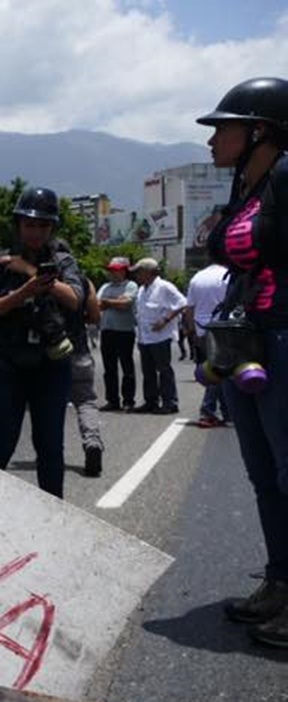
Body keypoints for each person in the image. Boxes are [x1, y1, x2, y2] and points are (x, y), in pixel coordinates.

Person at [197, 77, 288, 644]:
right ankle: (280, 581)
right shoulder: (247, 191)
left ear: (259, 130)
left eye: (222, 128)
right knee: (263, 477)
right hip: (246, 345)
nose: (212, 139)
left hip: (282, 340)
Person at [0, 187, 84, 498]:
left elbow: (75, 299)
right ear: (19, 224)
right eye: (30, 225)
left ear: (52, 228)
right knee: (2, 443)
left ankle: (54, 516)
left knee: (50, 446)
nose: (36, 232)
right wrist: (21, 293)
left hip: (50, 364)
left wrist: (31, 274)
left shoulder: (62, 261)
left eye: (43, 226)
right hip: (5, 364)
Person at [131, 257, 186, 415]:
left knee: (164, 370)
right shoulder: (142, 289)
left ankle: (170, 402)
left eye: (139, 272)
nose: (136, 276)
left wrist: (166, 319)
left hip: (160, 337)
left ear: (148, 272)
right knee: (147, 371)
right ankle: (151, 401)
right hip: (144, 337)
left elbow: (183, 302)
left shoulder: (164, 287)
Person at [183, 262, 231, 427]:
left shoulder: (197, 278)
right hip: (223, 330)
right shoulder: (228, 275)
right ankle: (208, 411)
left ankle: (227, 412)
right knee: (220, 371)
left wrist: (192, 331)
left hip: (202, 330)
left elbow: (189, 308)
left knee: (216, 371)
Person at [70, 275, 104, 477]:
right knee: (85, 402)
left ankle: (52, 455)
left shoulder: (35, 278)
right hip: (78, 350)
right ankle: (92, 442)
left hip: (47, 354)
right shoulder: (82, 281)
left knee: (49, 407)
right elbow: (95, 316)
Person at [97, 257, 139, 412]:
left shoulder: (131, 285)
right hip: (107, 330)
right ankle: (112, 400)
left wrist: (108, 303)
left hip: (125, 331)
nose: (112, 273)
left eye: (116, 270)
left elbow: (126, 304)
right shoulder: (105, 286)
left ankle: (128, 400)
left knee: (127, 367)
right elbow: (97, 304)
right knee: (109, 368)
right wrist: (114, 302)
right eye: (111, 270)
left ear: (124, 271)